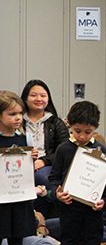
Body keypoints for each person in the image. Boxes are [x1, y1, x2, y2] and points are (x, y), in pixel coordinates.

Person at [47, 101, 106, 245]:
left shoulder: (100, 150)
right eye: (77, 131)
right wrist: (58, 194)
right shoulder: (63, 149)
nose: (83, 136)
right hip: (69, 209)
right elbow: (53, 178)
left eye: (88, 132)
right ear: (69, 124)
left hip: (93, 210)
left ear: (96, 128)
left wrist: (104, 201)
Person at [21, 79, 70, 218]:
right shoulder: (18, 121)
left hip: (48, 164)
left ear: (48, 99)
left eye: (43, 95)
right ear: (25, 98)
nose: (38, 99)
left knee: (42, 177)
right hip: (20, 164)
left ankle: (43, 218)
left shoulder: (55, 122)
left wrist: (44, 161)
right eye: (33, 95)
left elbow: (64, 150)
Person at [0, 91, 38, 245]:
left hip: (19, 198)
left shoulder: (25, 139)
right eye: (12, 114)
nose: (18, 118)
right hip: (1, 200)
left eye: (20, 114)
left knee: (17, 242)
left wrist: (32, 158)